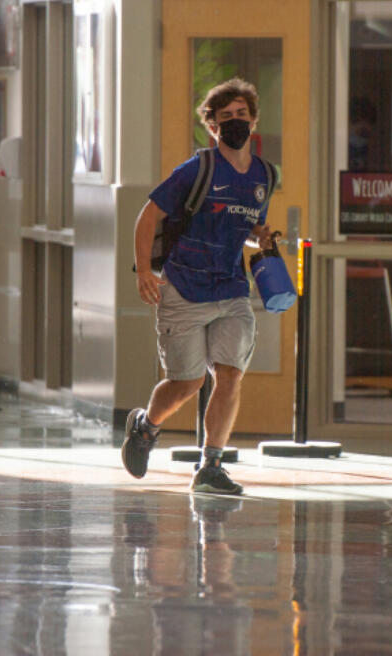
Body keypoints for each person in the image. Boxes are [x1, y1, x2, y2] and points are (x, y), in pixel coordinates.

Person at [123, 77, 275, 495]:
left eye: (242, 115)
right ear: (212, 126)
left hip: (231, 290)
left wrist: (259, 237)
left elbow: (242, 226)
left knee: (229, 376)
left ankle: (211, 466)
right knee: (187, 383)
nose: (235, 122)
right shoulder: (198, 168)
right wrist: (143, 272)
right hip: (184, 287)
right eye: (225, 117)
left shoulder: (264, 175)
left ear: (254, 119)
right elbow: (148, 216)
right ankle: (146, 426)